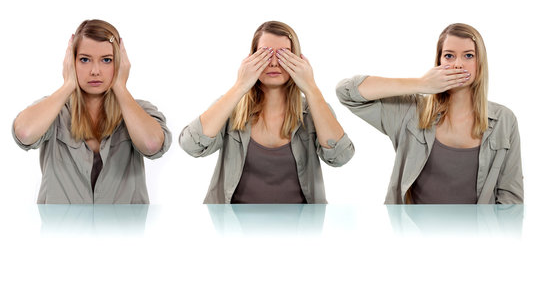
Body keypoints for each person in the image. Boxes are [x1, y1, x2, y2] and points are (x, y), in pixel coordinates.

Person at [336, 23, 523, 204]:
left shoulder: (504, 121)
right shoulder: (411, 112)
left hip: (478, 235)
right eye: (449, 56)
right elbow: (346, 92)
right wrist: (422, 84)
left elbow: (511, 200)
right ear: (439, 61)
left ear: (480, 63)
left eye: (468, 55)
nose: (458, 64)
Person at [180, 21, 354, 204]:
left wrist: (311, 88)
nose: (273, 63)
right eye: (265, 54)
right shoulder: (230, 108)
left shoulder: (314, 110)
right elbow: (191, 145)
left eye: (284, 55)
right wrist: (240, 85)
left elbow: (340, 157)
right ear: (251, 59)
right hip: (233, 229)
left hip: (302, 229)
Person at [12, 19, 172, 204]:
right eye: (85, 60)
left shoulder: (139, 110)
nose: (95, 71)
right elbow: (24, 133)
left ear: (119, 64)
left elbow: (152, 144)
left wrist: (120, 86)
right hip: (62, 232)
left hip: (124, 232)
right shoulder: (54, 110)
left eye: (106, 60)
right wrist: (68, 84)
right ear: (72, 62)